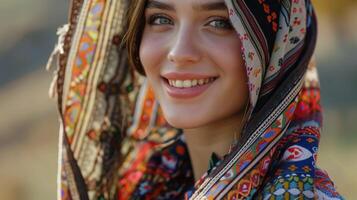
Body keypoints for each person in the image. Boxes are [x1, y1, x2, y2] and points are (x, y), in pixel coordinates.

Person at [47, 0, 343, 199]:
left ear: (275, 47)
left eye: (218, 23)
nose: (179, 51)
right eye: (161, 19)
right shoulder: (151, 185)